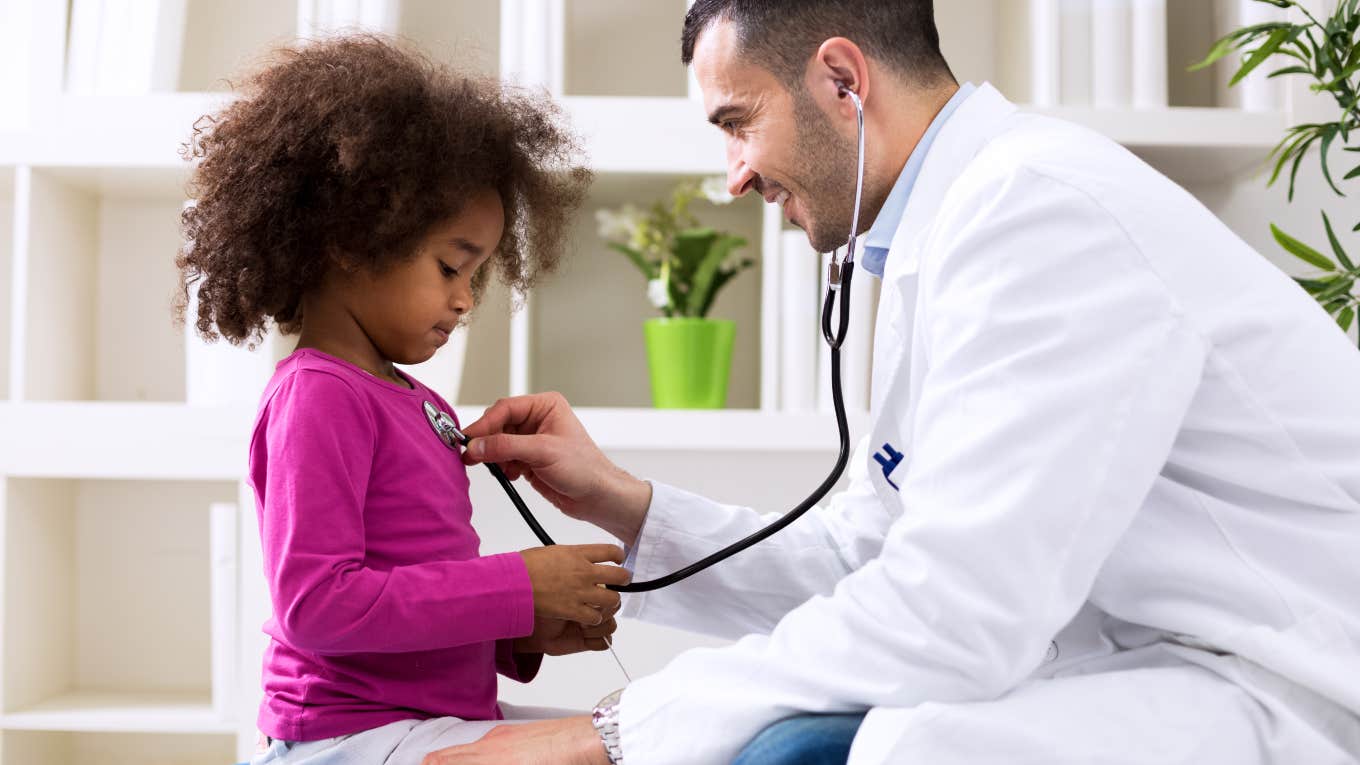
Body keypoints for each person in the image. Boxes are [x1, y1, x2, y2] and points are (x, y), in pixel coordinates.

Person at [424, 1, 1360, 763]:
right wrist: (625, 505)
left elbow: (956, 610)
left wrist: (615, 731)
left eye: (737, 123)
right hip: (1179, 669)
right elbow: (868, 561)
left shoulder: (1039, 213)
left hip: (1300, 685)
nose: (734, 176)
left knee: (883, 748)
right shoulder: (948, 228)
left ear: (842, 79)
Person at [173, 35, 630, 764]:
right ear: (354, 240)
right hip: (347, 736)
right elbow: (317, 604)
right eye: (452, 266)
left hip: (425, 715)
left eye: (476, 276)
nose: (463, 299)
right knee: (636, 743)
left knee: (661, 728)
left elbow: (412, 590)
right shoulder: (318, 398)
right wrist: (515, 586)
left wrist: (520, 630)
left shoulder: (418, 402)